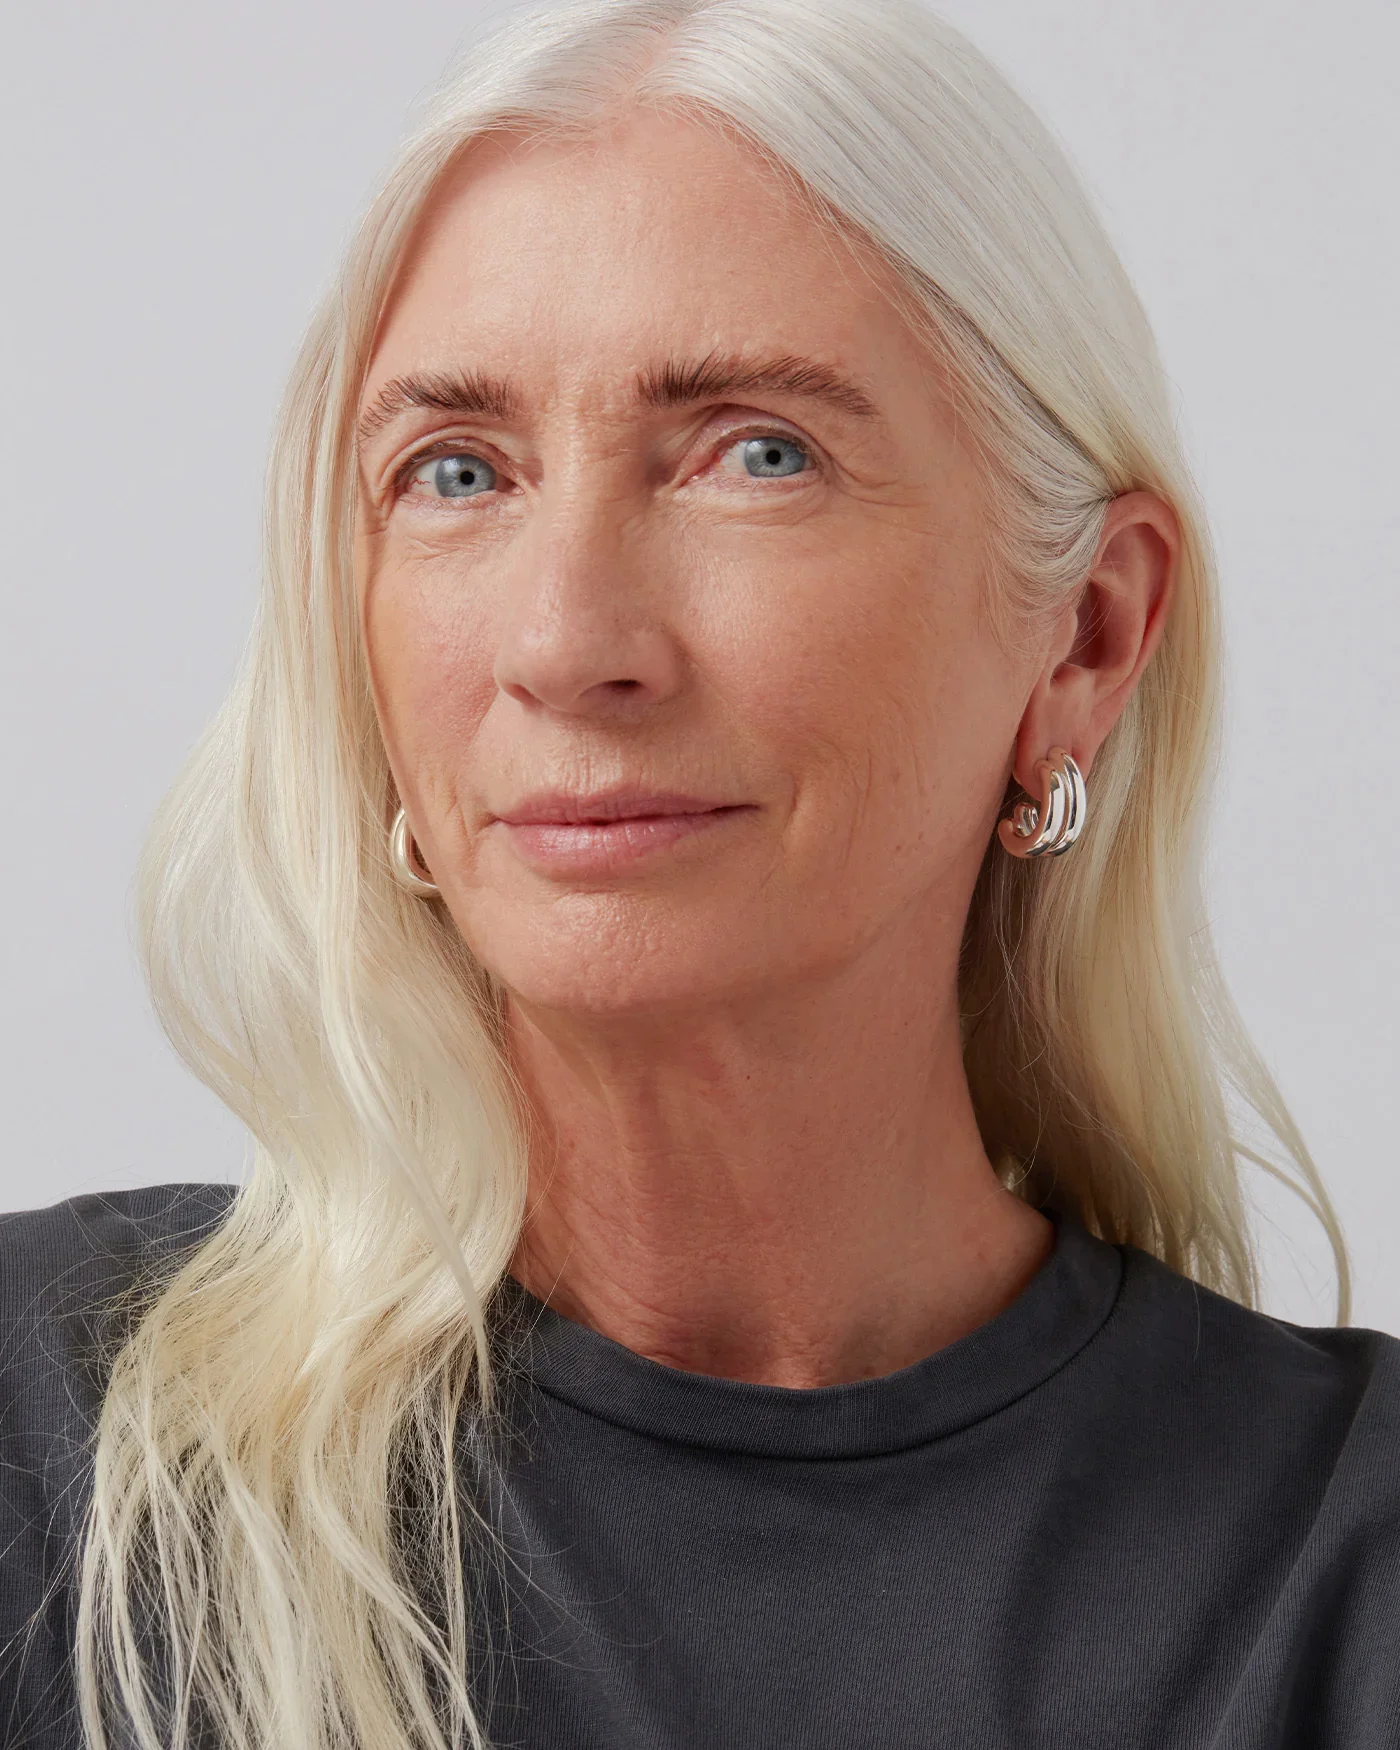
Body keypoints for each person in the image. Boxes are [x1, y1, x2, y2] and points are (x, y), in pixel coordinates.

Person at [2, 0, 1397, 1745]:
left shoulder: (1348, 1560)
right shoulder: (52, 1455)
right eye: (456, 471)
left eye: (758, 451)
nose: (568, 639)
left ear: (1087, 635)